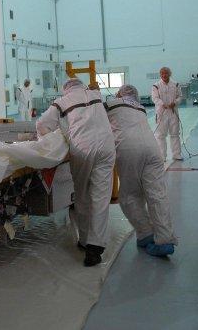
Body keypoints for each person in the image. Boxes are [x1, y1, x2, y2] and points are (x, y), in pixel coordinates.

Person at [36, 77, 116, 267]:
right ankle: (95, 248)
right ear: (82, 86)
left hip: (82, 149)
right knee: (101, 197)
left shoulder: (62, 102)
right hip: (106, 147)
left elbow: (41, 125)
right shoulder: (96, 95)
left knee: (82, 195)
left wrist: (52, 142)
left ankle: (85, 240)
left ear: (66, 90)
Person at [105, 85, 177, 257]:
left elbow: (93, 114)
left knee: (129, 196)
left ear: (119, 94)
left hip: (129, 150)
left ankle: (145, 233)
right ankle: (165, 240)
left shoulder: (110, 104)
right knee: (157, 195)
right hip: (153, 150)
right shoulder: (141, 108)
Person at [151, 67, 183, 162]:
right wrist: (162, 104)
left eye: (166, 73)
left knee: (175, 134)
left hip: (173, 113)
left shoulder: (175, 84)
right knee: (160, 135)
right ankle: (162, 156)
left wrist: (175, 102)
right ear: (160, 75)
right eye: (162, 74)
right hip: (161, 113)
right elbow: (155, 98)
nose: (164, 75)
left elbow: (180, 96)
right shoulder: (156, 86)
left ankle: (177, 154)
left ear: (170, 74)